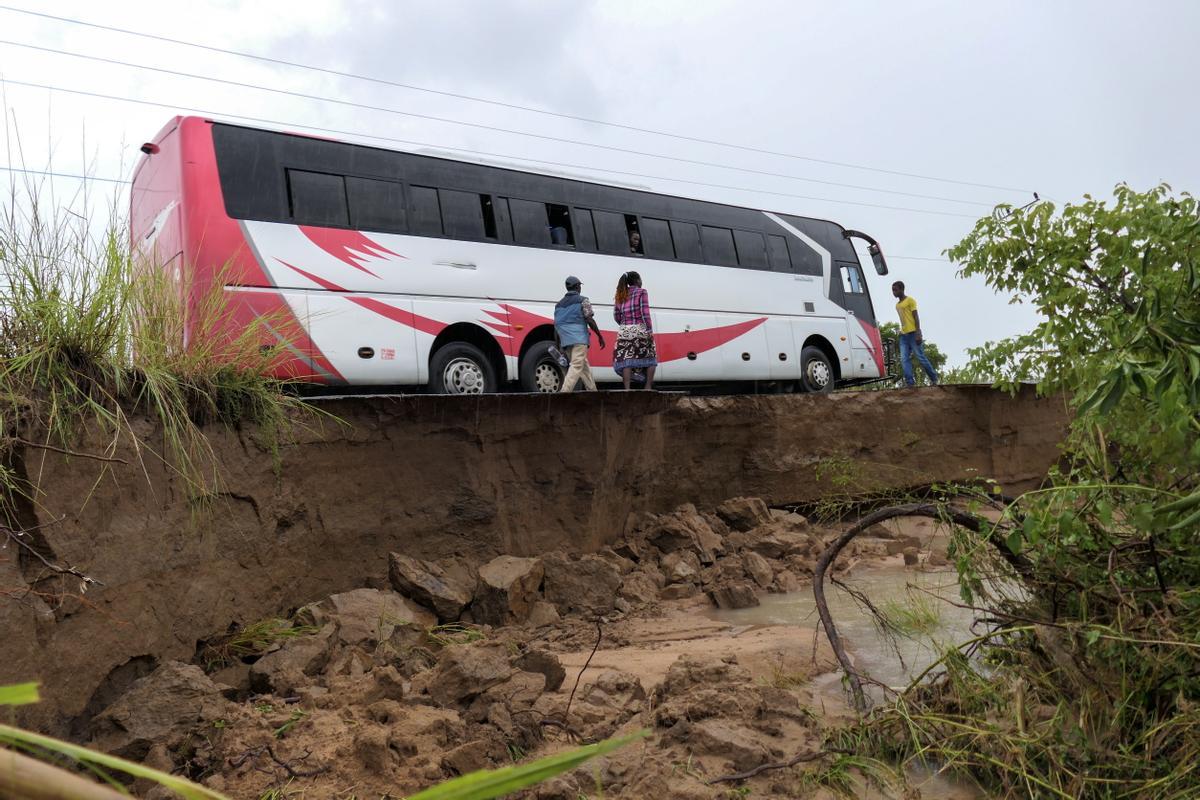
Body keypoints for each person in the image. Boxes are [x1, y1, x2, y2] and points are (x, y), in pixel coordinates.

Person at [554, 276, 605, 392]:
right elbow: (589, 319)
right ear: (577, 286)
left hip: (566, 341)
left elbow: (556, 327)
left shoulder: (558, 305)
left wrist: (559, 346)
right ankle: (563, 393)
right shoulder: (583, 300)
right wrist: (599, 335)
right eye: (580, 286)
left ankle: (593, 392)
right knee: (576, 366)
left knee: (584, 368)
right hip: (579, 339)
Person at [612, 271, 658, 390]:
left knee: (627, 360)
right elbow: (644, 313)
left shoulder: (620, 294)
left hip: (624, 331)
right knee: (650, 358)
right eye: (640, 279)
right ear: (637, 280)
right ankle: (647, 387)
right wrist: (648, 329)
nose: (641, 282)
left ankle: (627, 389)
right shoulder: (642, 292)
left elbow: (616, 316)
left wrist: (625, 325)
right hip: (640, 328)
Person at [891, 281, 938, 387]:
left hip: (913, 333)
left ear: (902, 289)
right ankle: (910, 383)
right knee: (904, 359)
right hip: (903, 336)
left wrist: (918, 332)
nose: (894, 292)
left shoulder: (910, 300)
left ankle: (934, 378)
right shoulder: (897, 305)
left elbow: (916, 316)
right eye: (892, 290)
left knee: (920, 357)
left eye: (895, 290)